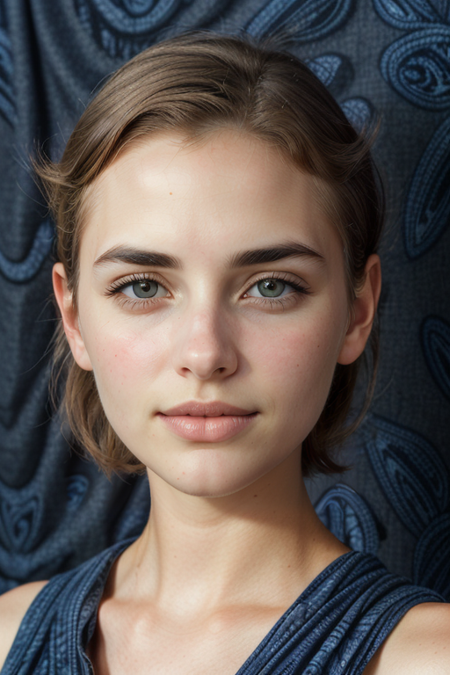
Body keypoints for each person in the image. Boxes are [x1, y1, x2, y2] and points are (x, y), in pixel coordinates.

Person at [0, 31, 448, 675]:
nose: (206, 353)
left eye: (271, 286)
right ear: (73, 316)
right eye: (144, 287)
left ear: (358, 310)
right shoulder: (9, 639)